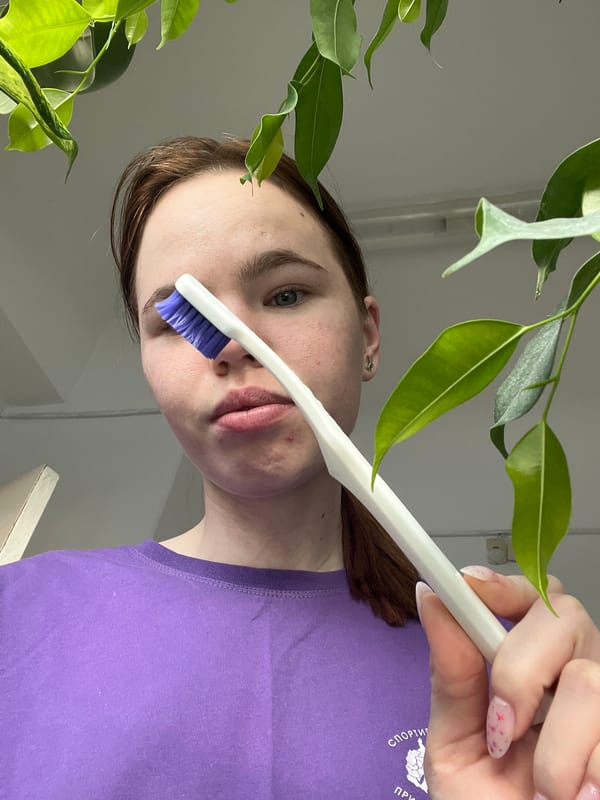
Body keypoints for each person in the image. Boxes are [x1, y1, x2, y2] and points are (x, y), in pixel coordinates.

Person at [1, 136, 599, 800]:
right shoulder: (21, 615)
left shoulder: (505, 668)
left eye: (284, 295)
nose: (228, 344)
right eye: (180, 322)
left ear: (367, 335)